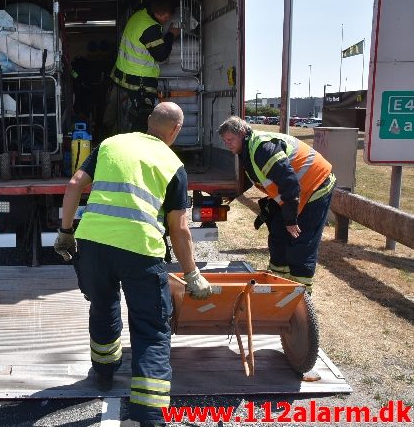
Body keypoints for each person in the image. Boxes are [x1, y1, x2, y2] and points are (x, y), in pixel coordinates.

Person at [55, 102, 211, 427]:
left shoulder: (110, 145)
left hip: (94, 245)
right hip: (140, 251)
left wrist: (66, 232)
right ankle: (149, 415)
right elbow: (180, 229)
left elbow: (73, 186)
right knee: (152, 330)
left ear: (148, 122)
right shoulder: (173, 165)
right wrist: (192, 274)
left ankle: (103, 374)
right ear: (176, 131)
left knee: (103, 305)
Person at [218, 116, 336, 292]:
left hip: (316, 186)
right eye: (225, 141)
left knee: (300, 243)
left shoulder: (263, 148)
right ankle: (277, 286)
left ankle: (300, 295)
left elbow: (290, 184)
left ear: (242, 133)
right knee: (278, 237)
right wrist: (235, 193)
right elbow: (256, 174)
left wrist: (291, 220)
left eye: (230, 139)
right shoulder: (248, 149)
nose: (228, 144)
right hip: (294, 194)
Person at [107, 0, 180, 134]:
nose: (167, 20)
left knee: (137, 112)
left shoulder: (140, 15)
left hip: (125, 73)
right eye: (166, 17)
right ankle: (137, 145)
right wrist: (171, 34)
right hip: (139, 79)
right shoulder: (150, 28)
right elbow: (161, 55)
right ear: (158, 13)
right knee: (144, 114)